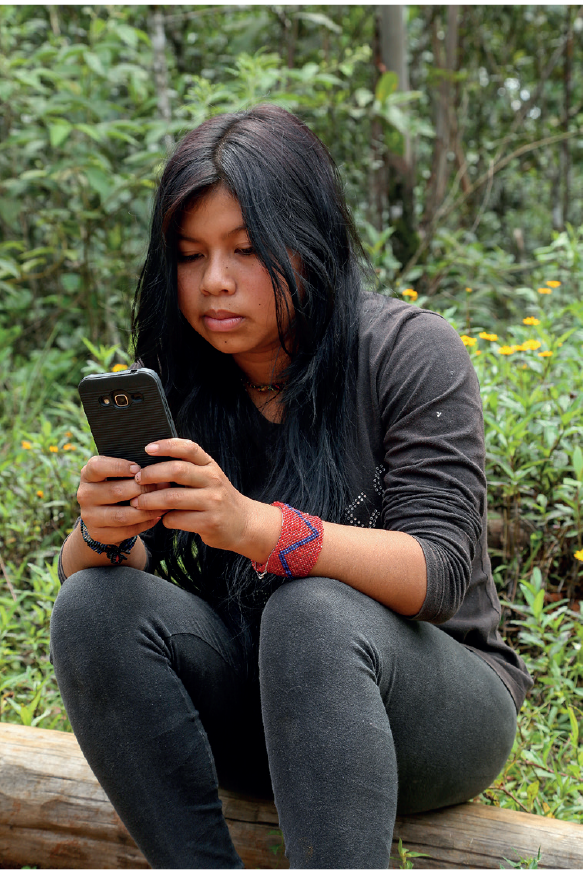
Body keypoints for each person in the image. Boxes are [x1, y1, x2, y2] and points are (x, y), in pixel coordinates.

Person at [50, 104, 532, 871]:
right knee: (88, 602)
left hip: (433, 708)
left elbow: (439, 573)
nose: (213, 281)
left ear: (306, 243)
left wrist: (257, 527)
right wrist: (103, 530)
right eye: (189, 253)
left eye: (245, 249)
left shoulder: (407, 353)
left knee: (310, 607)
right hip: (264, 709)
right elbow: (109, 601)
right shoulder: (185, 383)